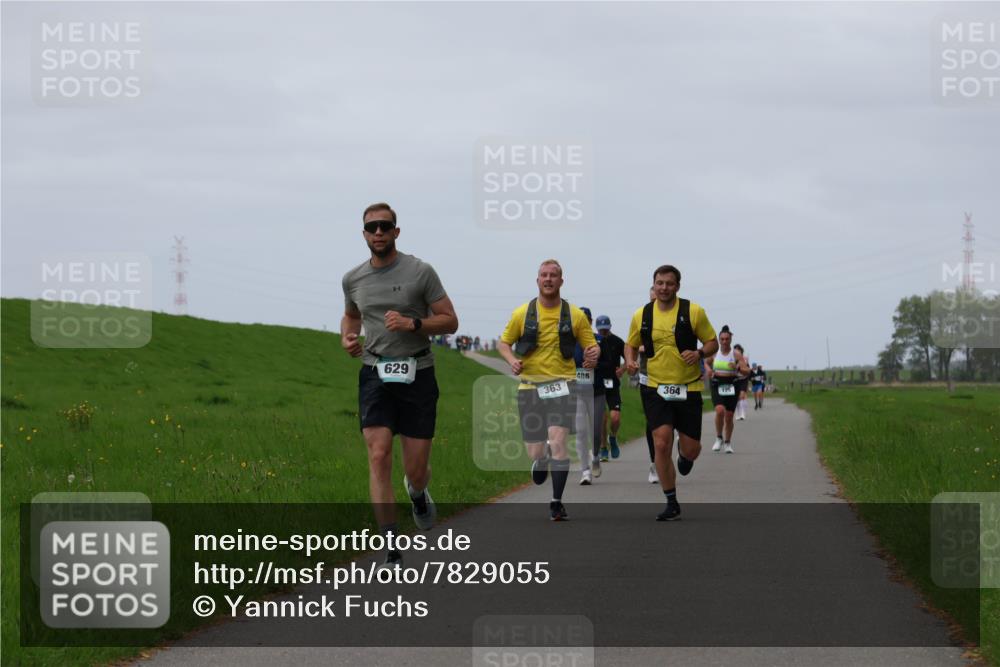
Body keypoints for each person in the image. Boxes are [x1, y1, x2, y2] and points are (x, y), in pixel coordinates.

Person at [341, 202, 459, 567]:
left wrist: (414, 324)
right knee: (378, 455)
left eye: (384, 226)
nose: (378, 232)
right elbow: (351, 316)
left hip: (417, 372)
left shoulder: (420, 272)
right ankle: (390, 544)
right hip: (374, 372)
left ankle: (418, 493)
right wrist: (347, 338)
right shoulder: (353, 279)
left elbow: (450, 320)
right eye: (371, 227)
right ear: (364, 234)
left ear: (396, 231)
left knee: (415, 471)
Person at [498, 260, 599, 520]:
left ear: (561, 281)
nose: (548, 279)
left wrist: (593, 354)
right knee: (535, 451)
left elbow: (591, 345)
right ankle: (541, 459)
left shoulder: (575, 315)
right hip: (530, 387)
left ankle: (556, 502)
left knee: (558, 441)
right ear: (537, 280)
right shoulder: (523, 313)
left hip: (563, 386)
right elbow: (504, 343)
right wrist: (512, 360)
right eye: (544, 275)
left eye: (553, 275)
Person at [625, 265, 718, 521]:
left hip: (688, 387)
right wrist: (630, 360)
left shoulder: (693, 311)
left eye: (669, 283)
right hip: (655, 387)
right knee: (661, 442)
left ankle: (684, 455)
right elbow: (630, 343)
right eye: (659, 283)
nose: (664, 288)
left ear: (677, 286)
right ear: (653, 285)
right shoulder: (642, 315)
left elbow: (712, 342)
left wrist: (699, 353)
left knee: (692, 450)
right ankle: (671, 501)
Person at [705, 326, 750, 454]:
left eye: (727, 339)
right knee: (720, 411)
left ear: (730, 340)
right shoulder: (715, 353)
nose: (724, 341)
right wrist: (709, 370)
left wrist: (737, 367)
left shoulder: (736, 354)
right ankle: (719, 438)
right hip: (717, 383)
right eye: (722, 339)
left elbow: (747, 371)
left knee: (729, 416)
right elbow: (706, 362)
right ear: (719, 340)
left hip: (732, 384)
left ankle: (728, 442)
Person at [573, 308, 605, 485]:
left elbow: (609, 365)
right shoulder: (569, 343)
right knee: (580, 431)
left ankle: (596, 456)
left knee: (596, 431)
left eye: (585, 320)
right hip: (577, 393)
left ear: (590, 322)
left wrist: (595, 364)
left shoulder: (599, 340)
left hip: (596, 392)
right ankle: (585, 470)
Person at [595, 315, 626, 462]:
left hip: (613, 384)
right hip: (598, 384)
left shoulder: (618, 342)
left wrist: (623, 369)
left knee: (615, 417)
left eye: (605, 330)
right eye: (601, 330)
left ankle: (612, 437)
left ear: (610, 327)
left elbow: (629, 358)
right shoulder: (593, 341)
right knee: (602, 419)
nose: (603, 332)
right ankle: (603, 448)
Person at [734, 343, 750, 421]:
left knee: (742, 396)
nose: (737, 352)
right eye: (735, 350)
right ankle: (737, 413)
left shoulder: (744, 359)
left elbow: (748, 369)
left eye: (738, 350)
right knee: (737, 397)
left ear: (741, 351)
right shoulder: (732, 359)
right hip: (736, 379)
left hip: (744, 379)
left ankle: (742, 413)